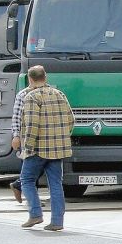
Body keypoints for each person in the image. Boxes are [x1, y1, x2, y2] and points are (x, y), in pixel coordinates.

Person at [18, 65, 75, 231]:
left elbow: (32, 125)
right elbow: (71, 119)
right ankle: (57, 221)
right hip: (58, 148)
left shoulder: (32, 97)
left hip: (38, 148)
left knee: (26, 180)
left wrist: (27, 147)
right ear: (45, 77)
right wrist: (62, 137)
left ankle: (35, 213)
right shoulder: (60, 94)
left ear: (30, 79)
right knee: (56, 183)